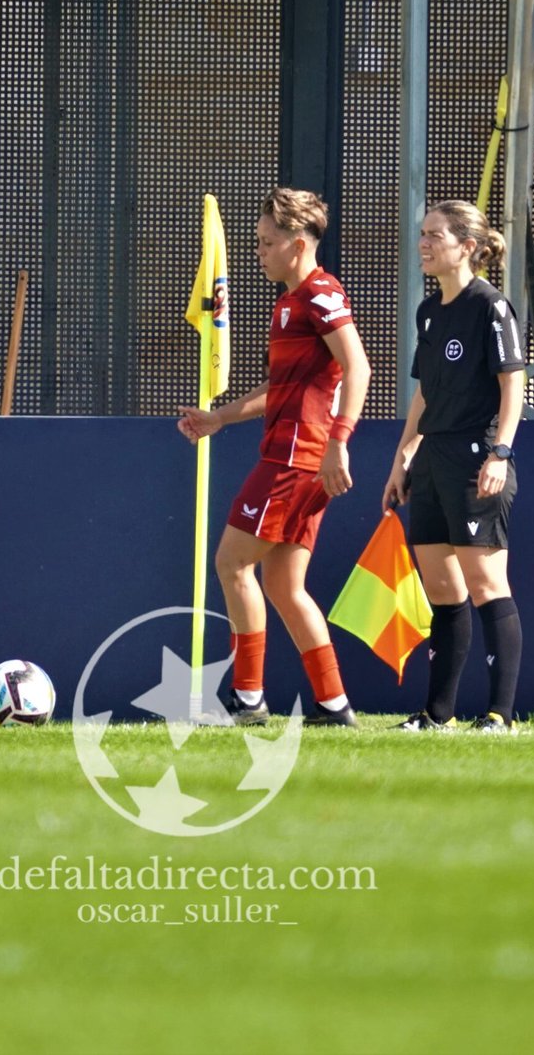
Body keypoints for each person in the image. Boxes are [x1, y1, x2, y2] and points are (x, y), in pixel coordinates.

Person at [177, 187, 370, 728]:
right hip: (299, 457)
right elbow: (281, 389)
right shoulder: (288, 303)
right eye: (258, 241)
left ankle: (248, 699)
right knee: (284, 586)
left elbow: (358, 366)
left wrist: (339, 442)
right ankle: (334, 706)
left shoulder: (320, 293)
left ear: (298, 243)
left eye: (267, 242)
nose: (259, 252)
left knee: (231, 563)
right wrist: (219, 418)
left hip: (296, 459)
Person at [382, 199, 526, 733]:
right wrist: (403, 457)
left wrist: (500, 452)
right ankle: (436, 714)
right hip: (432, 461)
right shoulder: (429, 311)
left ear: (467, 247)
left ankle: (499, 715)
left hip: (475, 458)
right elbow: (424, 393)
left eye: (434, 236)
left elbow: (513, 383)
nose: (423, 244)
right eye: (422, 234)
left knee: (487, 584)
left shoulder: (491, 307)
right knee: (442, 591)